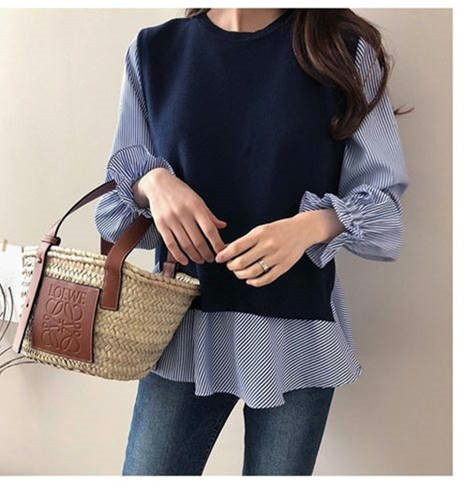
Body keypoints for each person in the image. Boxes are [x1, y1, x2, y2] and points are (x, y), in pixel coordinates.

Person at [95, 7, 408, 476]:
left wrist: (308, 227)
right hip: (183, 331)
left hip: (297, 336)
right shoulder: (155, 51)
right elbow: (113, 215)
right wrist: (152, 183)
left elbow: (383, 208)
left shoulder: (341, 50)